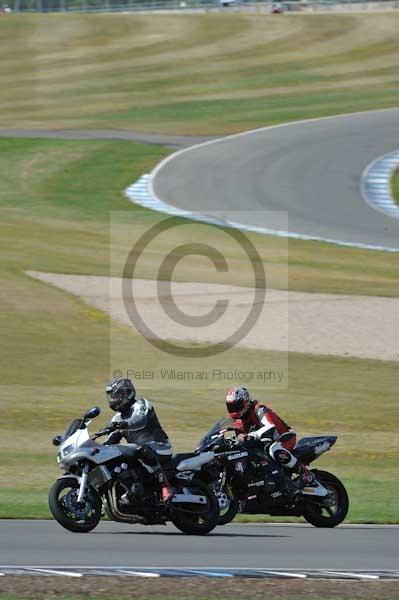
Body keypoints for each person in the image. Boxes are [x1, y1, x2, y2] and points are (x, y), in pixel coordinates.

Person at [226, 387, 314, 487]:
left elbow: (270, 426)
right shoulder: (238, 420)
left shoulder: (259, 409)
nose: (234, 409)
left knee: (274, 450)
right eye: (231, 406)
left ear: (245, 402)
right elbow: (240, 437)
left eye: (236, 405)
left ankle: (306, 473)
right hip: (265, 441)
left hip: (283, 436)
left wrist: (253, 435)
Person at [104, 377, 173, 503]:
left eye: (116, 395)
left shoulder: (141, 404)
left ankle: (165, 487)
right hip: (138, 451)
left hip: (160, 447)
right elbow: (111, 440)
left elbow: (140, 420)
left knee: (142, 449)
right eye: (111, 396)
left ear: (127, 393)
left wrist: (123, 424)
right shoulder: (117, 418)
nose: (113, 399)